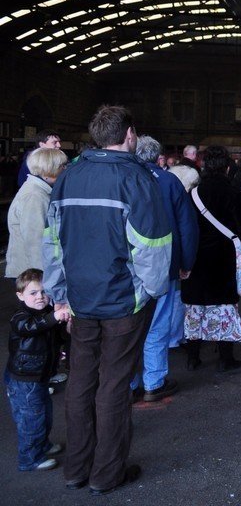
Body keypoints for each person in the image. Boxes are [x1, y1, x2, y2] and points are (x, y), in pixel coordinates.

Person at [42, 104, 171, 495]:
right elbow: (152, 247)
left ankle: (76, 470)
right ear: (129, 134)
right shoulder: (137, 179)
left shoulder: (68, 177)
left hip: (81, 300)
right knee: (114, 386)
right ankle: (106, 474)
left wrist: (59, 294)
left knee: (81, 381)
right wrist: (152, 290)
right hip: (122, 302)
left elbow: (52, 244)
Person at [131, 136, 199, 403]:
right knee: (158, 324)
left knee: (129, 325)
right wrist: (186, 263)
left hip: (129, 267)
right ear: (159, 157)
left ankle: (129, 381)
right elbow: (187, 226)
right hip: (165, 264)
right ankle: (154, 381)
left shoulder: (123, 179)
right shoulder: (169, 182)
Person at [182, 146, 241, 373]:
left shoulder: (192, 194)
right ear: (227, 166)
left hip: (196, 258)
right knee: (224, 307)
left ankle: (193, 358)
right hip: (224, 259)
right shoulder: (233, 193)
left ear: (203, 166)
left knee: (195, 307)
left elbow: (185, 228)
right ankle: (225, 358)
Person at [5, 269, 70, 472]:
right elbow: (30, 327)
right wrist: (55, 317)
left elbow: (55, 336)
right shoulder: (20, 317)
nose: (40, 297)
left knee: (43, 415)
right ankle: (30, 458)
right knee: (30, 419)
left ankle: (42, 446)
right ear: (20, 296)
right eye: (33, 293)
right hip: (24, 380)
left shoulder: (45, 314)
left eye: (43, 292)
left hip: (40, 378)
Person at [5, 148, 68, 281]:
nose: (65, 169)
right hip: (31, 275)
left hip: (32, 272)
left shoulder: (39, 190)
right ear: (49, 169)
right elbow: (36, 242)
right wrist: (45, 279)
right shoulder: (35, 196)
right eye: (62, 166)